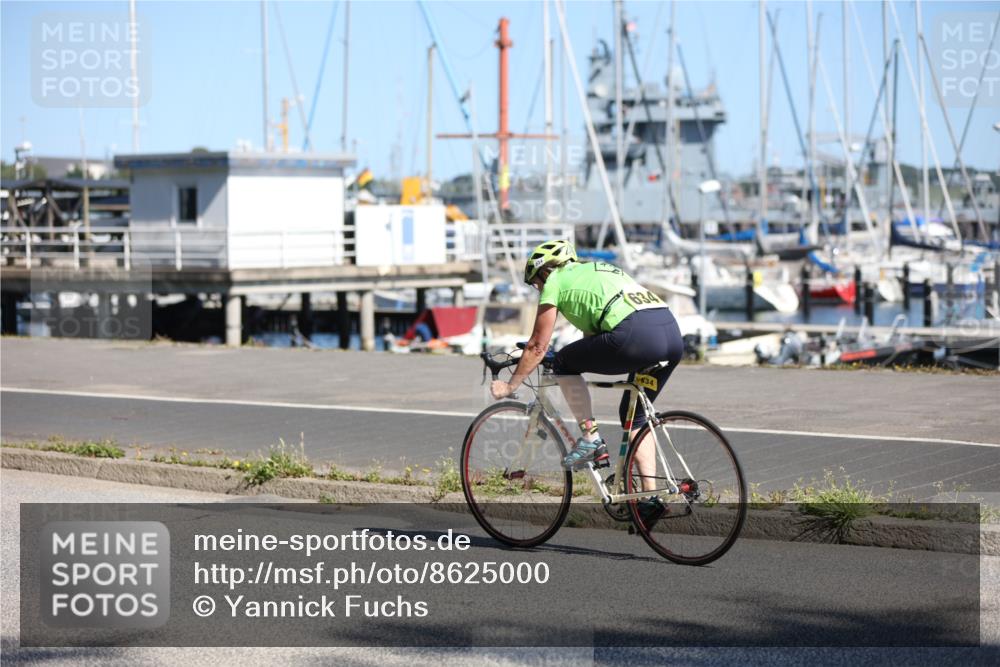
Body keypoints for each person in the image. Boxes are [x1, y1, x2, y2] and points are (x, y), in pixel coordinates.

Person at [489, 240, 684, 509]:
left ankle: (591, 440)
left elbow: (537, 345)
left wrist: (510, 386)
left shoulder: (556, 280)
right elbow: (596, 339)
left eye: (536, 284)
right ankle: (648, 497)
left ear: (545, 271)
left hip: (635, 335)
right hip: (671, 334)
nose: (539, 290)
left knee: (565, 363)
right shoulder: (601, 269)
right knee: (635, 415)